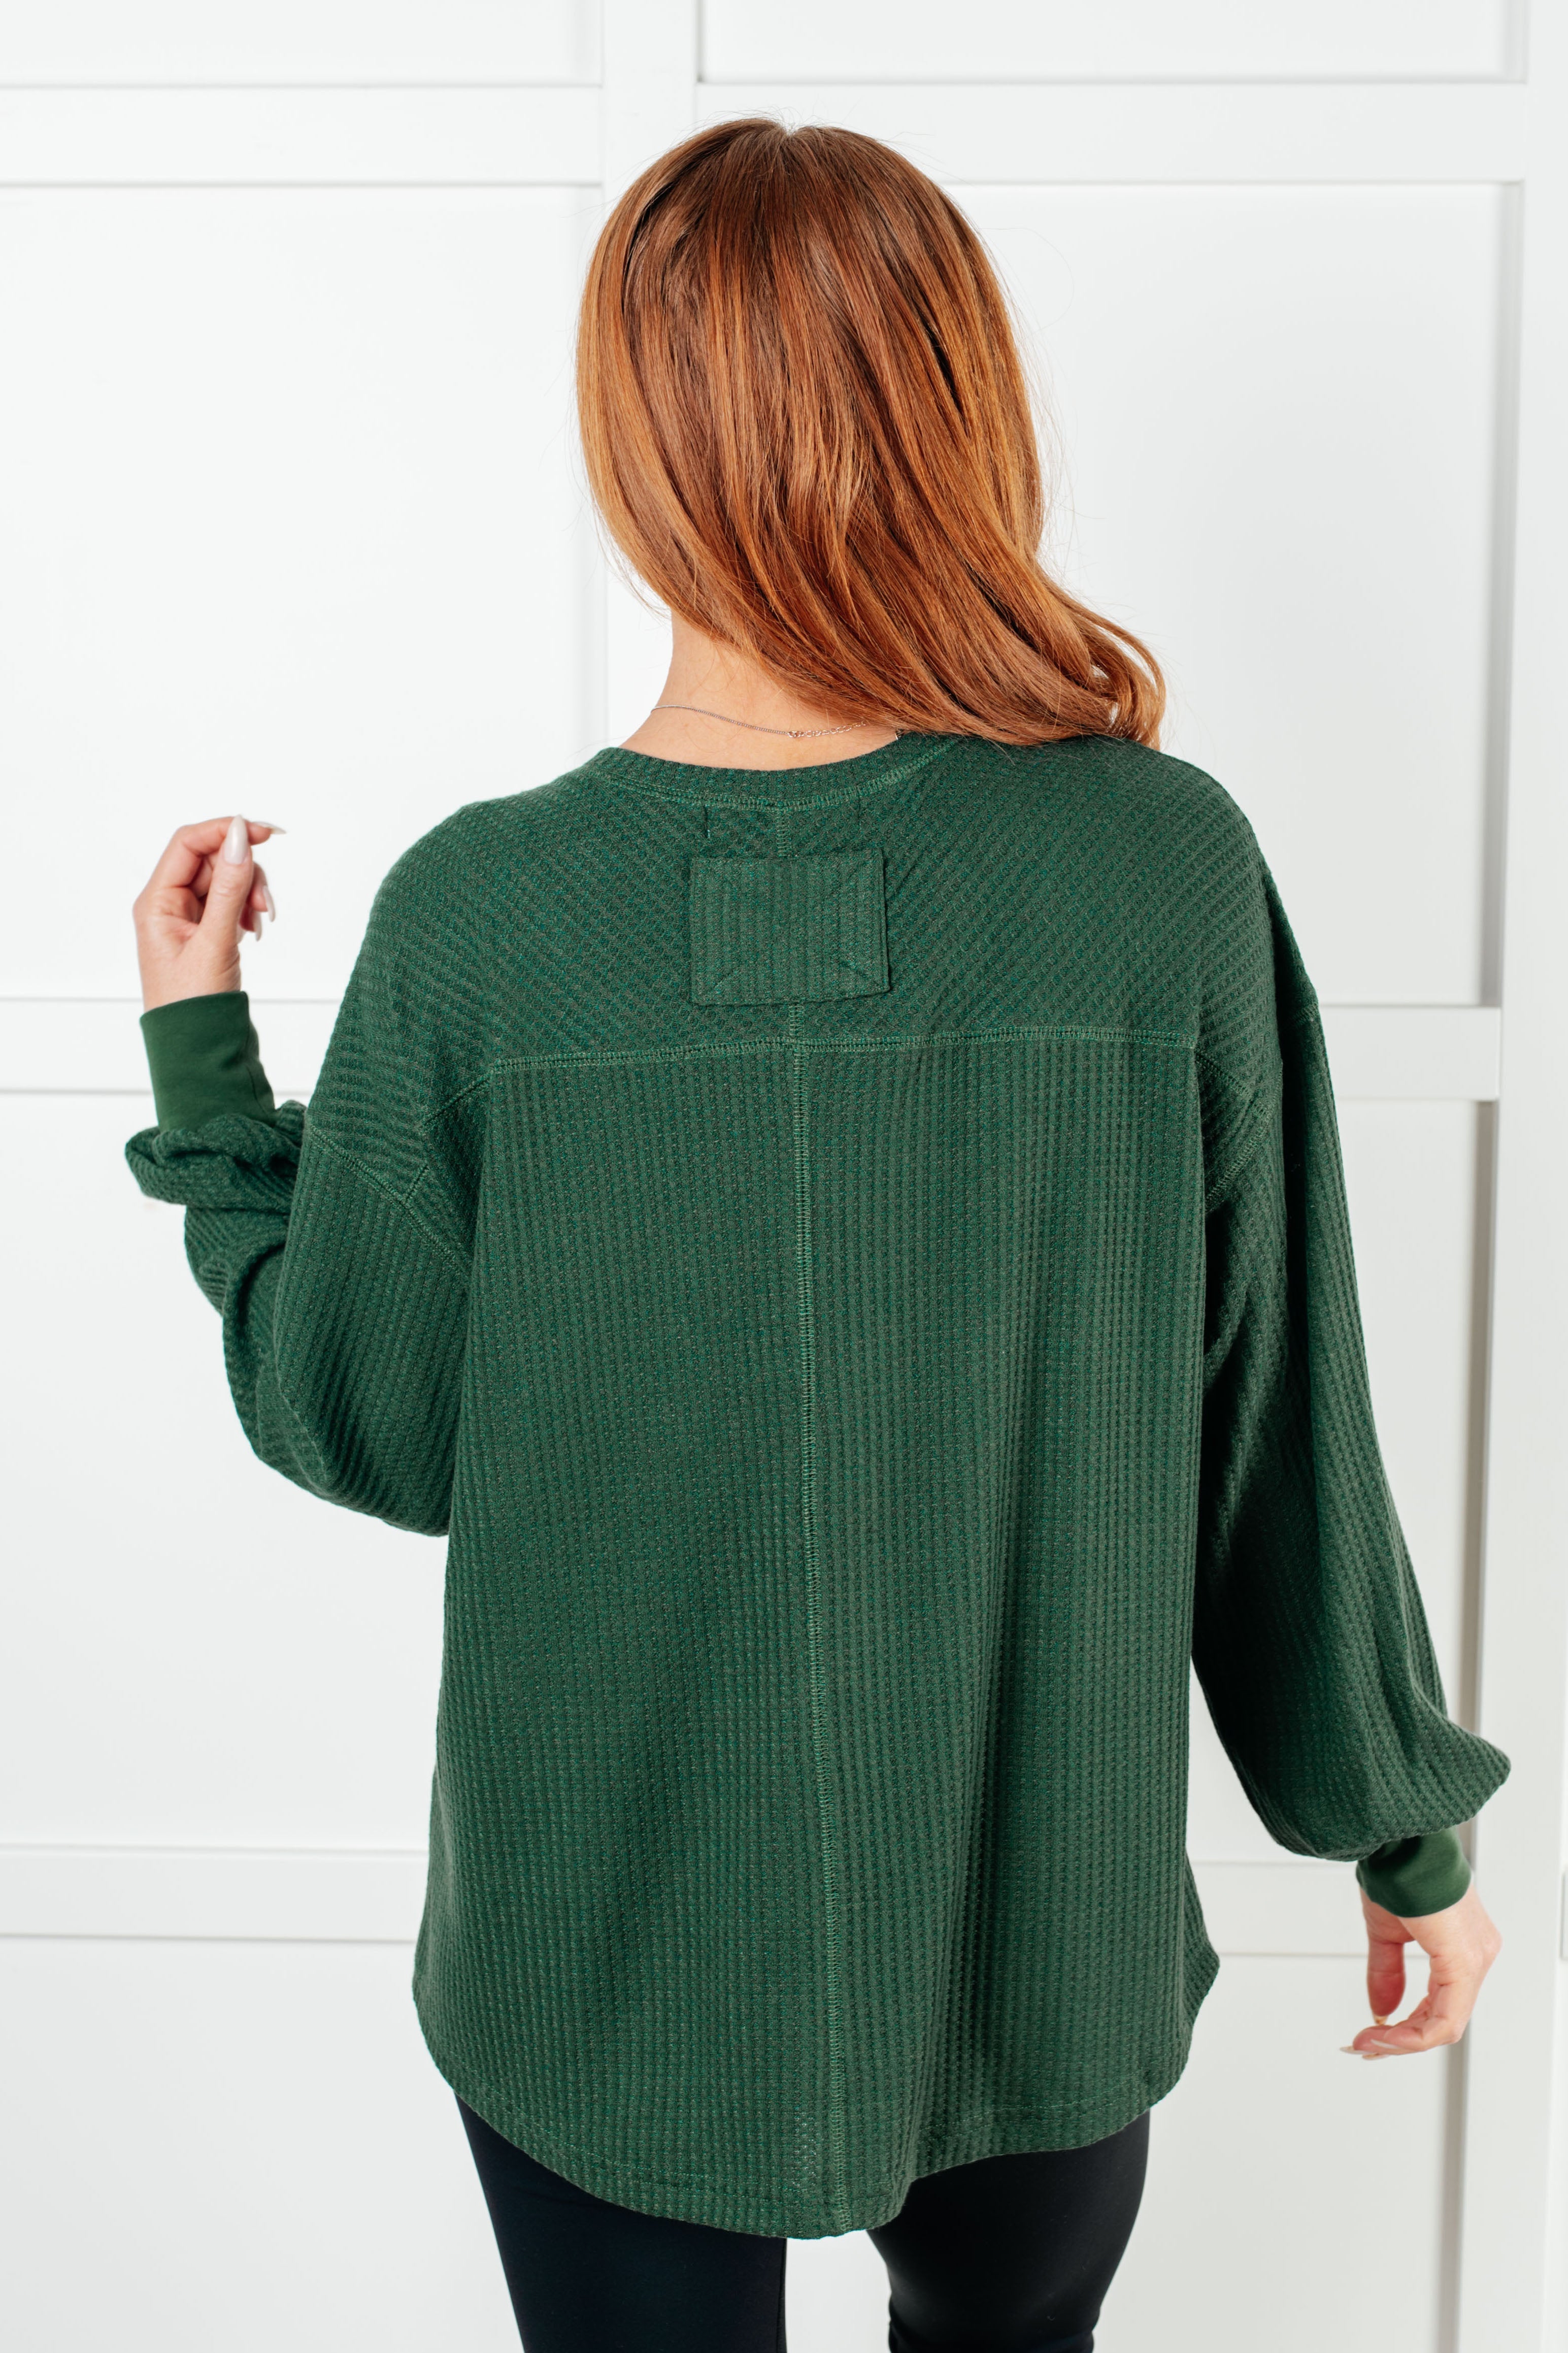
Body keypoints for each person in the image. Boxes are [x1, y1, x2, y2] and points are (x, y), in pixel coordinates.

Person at [126, 118, 1507, 2353]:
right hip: (1033, 1939)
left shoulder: (484, 917)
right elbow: (1276, 1424)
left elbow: (370, 1420)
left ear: (634, 445)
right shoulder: (1154, 868)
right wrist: (1400, 1833)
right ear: (958, 409)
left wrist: (207, 1070)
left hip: (595, 1966)